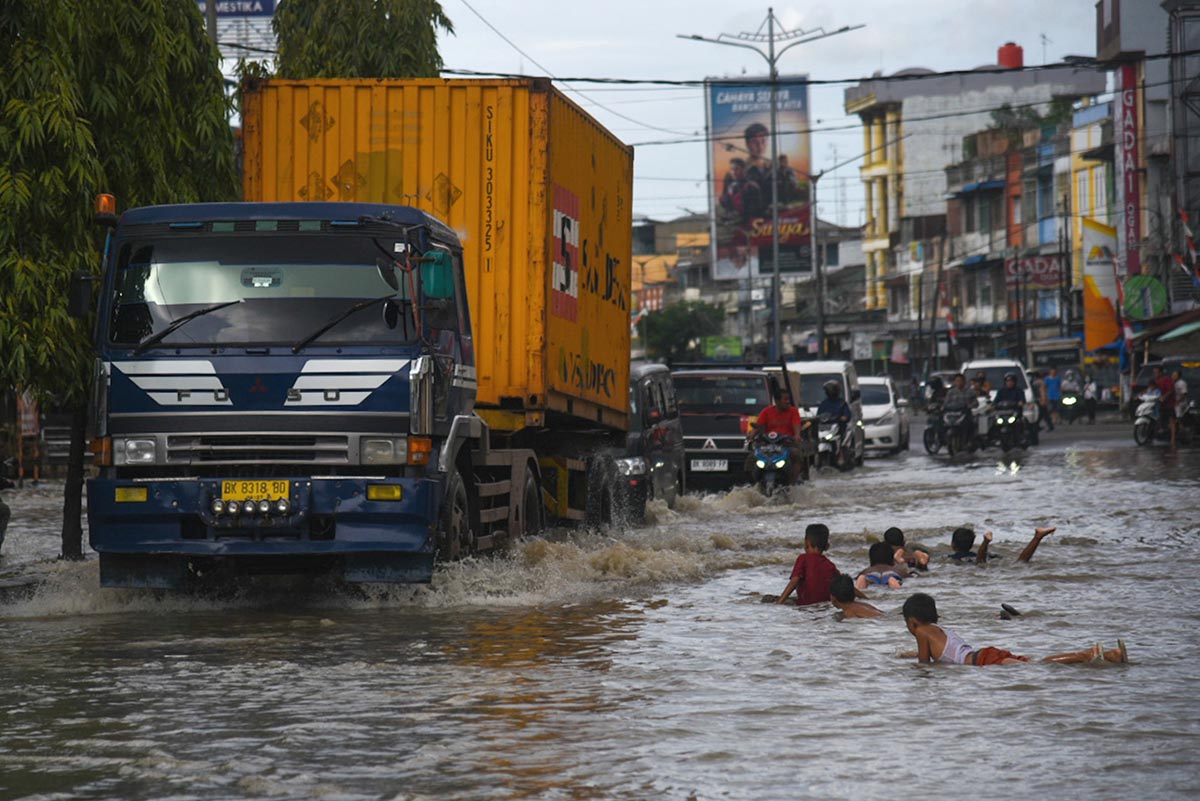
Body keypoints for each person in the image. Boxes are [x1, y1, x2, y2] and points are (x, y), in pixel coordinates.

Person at [901, 593, 1128, 665]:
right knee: (1034, 663)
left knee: (1039, 666)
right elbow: (946, 652)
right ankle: (1110, 655)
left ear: (912, 622)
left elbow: (924, 666)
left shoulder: (921, 632)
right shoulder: (940, 630)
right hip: (984, 653)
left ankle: (1087, 654)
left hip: (982, 662)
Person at [750, 386, 807, 483]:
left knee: (796, 455)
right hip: (768, 445)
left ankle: (793, 481)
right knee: (751, 457)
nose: (788, 401)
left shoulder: (793, 411)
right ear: (777, 401)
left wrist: (797, 435)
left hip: (787, 444)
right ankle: (753, 481)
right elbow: (758, 426)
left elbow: (796, 425)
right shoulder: (766, 412)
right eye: (785, 399)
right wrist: (751, 436)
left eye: (788, 399)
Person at [776, 523, 841, 606]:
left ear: (806, 543)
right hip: (823, 605)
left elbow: (794, 581)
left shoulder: (803, 559)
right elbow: (844, 584)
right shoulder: (830, 565)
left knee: (767, 599)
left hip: (805, 605)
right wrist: (862, 597)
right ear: (827, 546)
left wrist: (779, 603)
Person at [948, 526, 1056, 564]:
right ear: (971, 544)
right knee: (1020, 561)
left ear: (953, 544)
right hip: (981, 557)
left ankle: (985, 542)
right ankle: (1037, 537)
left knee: (980, 564)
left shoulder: (952, 558)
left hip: (970, 561)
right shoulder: (981, 554)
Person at [1171, 369, 1188, 448]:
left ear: (1178, 376)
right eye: (1172, 375)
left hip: (1181, 403)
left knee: (1177, 413)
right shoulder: (1172, 383)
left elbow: (1184, 394)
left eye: (1175, 375)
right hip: (1174, 402)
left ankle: (1181, 429)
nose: (1173, 376)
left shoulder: (1182, 383)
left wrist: (1178, 401)